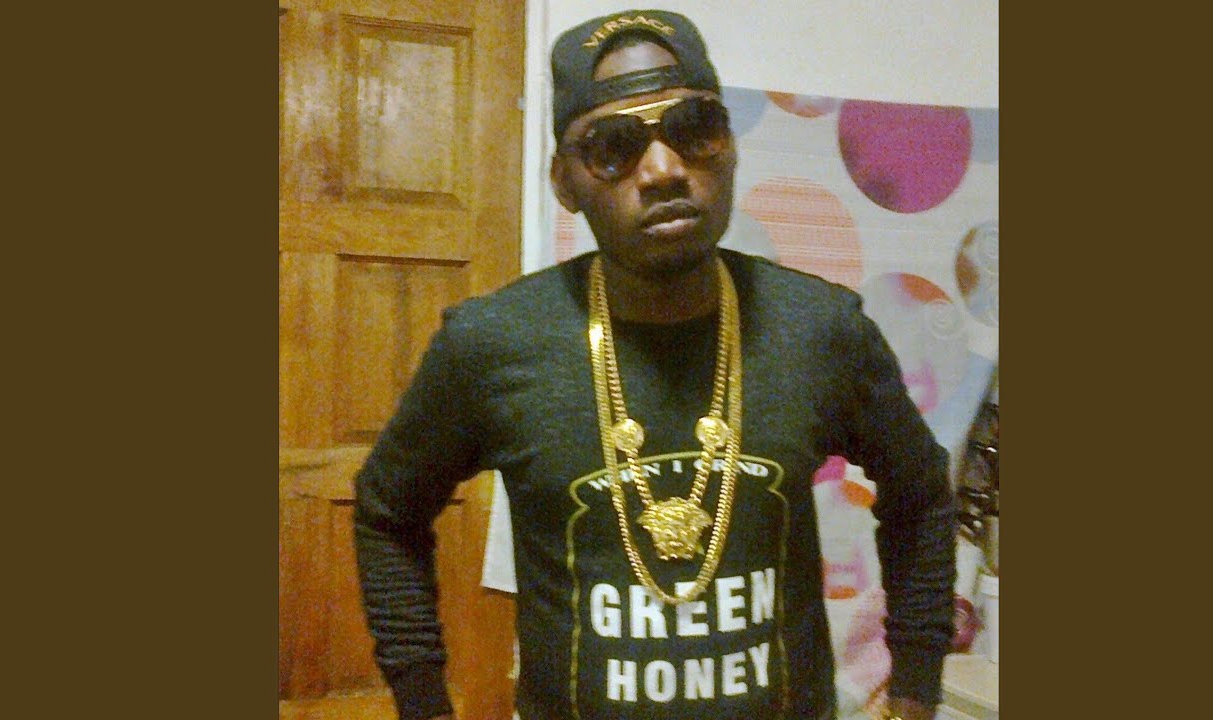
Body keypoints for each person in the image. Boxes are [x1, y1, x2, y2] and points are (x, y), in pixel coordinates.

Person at [354, 9, 956, 720]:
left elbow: (921, 496)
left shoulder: (822, 330)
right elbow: (387, 512)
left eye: (694, 130)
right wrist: (423, 702)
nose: (665, 169)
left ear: (729, 148)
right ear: (564, 182)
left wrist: (914, 692)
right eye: (614, 147)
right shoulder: (492, 344)